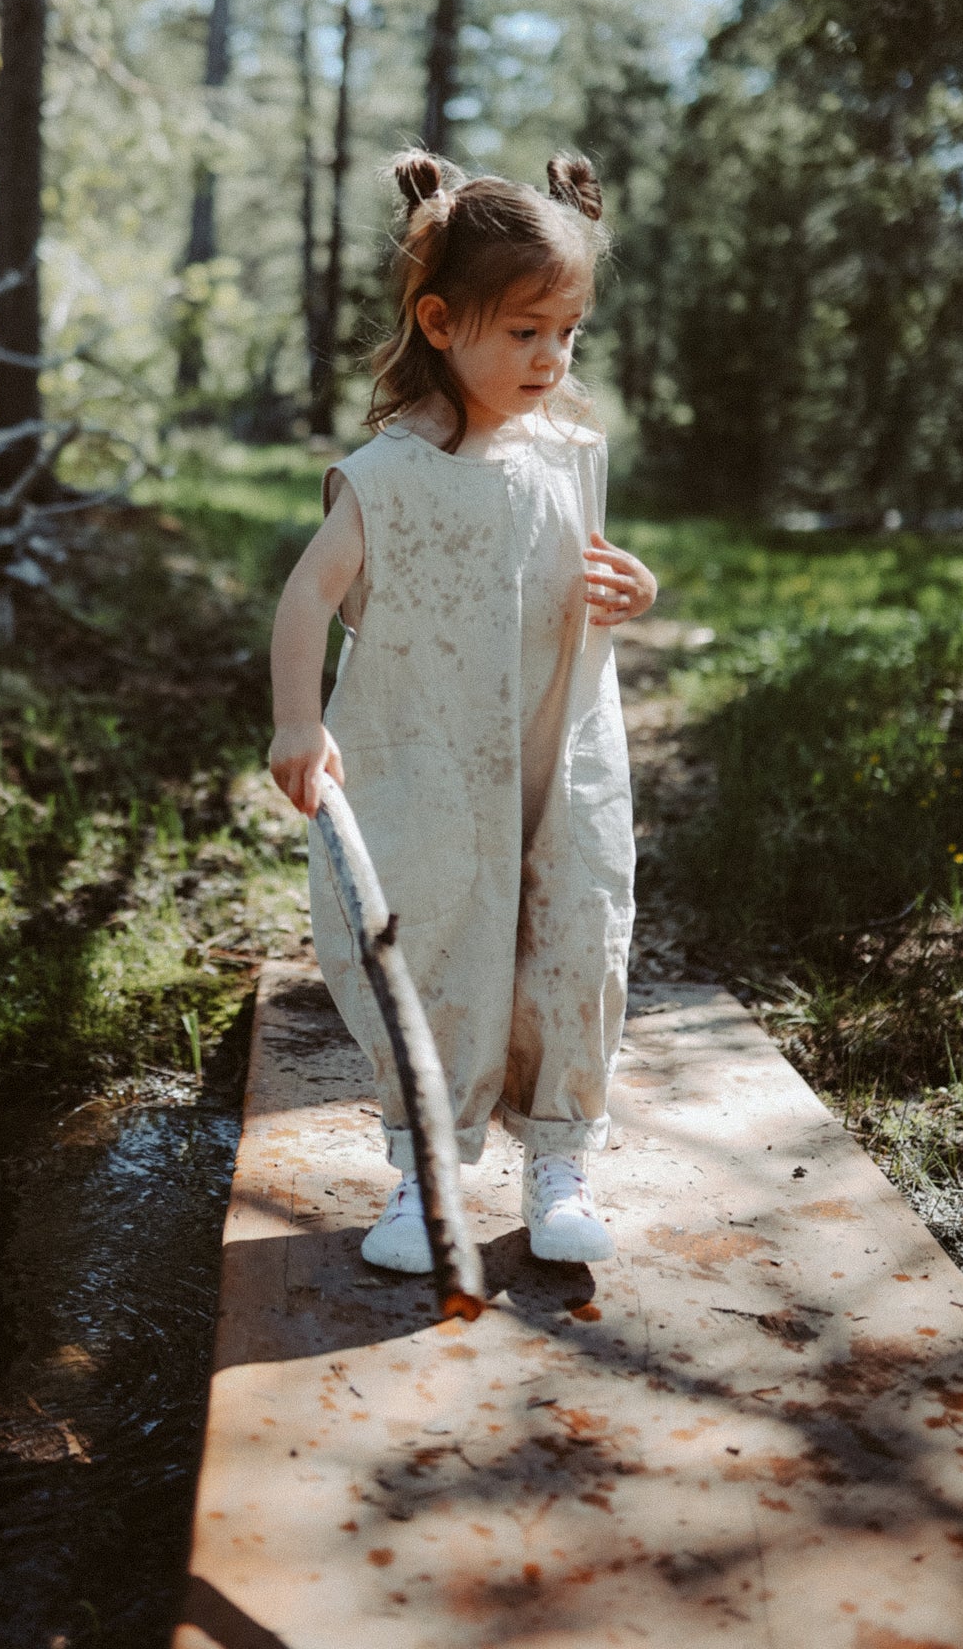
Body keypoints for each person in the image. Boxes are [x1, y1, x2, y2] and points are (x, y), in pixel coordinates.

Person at [269, 149, 657, 1272]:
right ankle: (425, 1163)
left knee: (573, 934)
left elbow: (590, 573)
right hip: (427, 762)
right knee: (435, 942)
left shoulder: (571, 456)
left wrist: (639, 590)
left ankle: (560, 1156)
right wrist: (301, 719)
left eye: (566, 332)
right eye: (523, 331)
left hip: (559, 749)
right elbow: (308, 595)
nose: (550, 357)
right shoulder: (385, 476)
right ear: (440, 322)